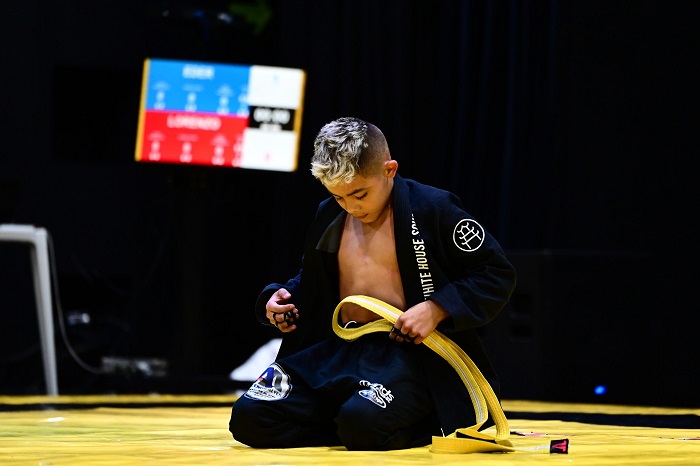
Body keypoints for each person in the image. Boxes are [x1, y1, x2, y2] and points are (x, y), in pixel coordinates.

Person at [229, 117, 516, 451]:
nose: (352, 207)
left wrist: (436, 308)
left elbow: (496, 273)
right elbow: (312, 281)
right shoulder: (328, 215)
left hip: (407, 353)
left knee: (362, 425)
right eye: (339, 197)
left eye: (359, 194)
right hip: (339, 347)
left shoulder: (432, 208)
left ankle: (420, 420)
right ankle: (349, 421)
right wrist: (281, 299)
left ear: (389, 170)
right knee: (250, 417)